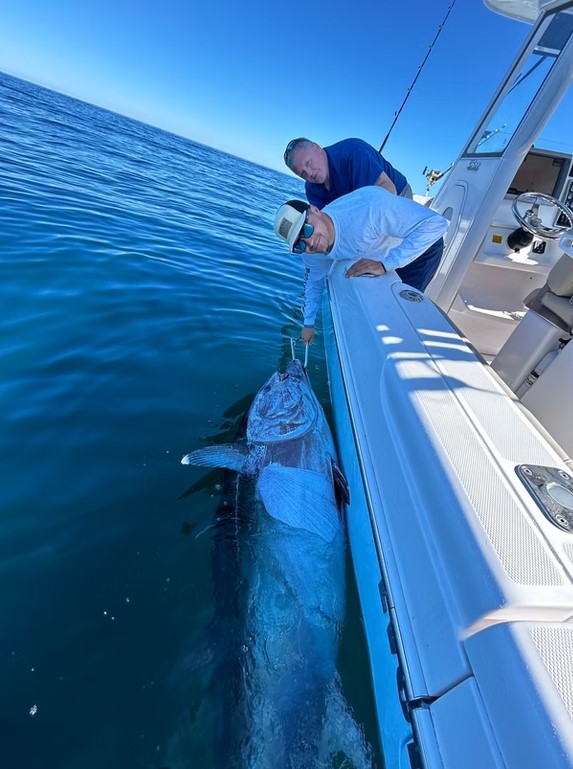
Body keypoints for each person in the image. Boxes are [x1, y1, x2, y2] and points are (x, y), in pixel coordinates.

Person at [274, 186, 448, 344]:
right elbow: (314, 282)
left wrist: (386, 264)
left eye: (306, 229)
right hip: (383, 249)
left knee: (401, 313)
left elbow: (435, 224)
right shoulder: (310, 252)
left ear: (315, 210)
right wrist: (308, 323)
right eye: (299, 244)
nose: (310, 242)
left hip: (423, 246)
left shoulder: (369, 207)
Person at [283, 137, 413, 208]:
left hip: (399, 193)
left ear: (317, 147)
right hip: (358, 207)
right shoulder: (311, 188)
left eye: (308, 163)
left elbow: (388, 188)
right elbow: (322, 220)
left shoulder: (353, 152)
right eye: (303, 174)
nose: (309, 174)